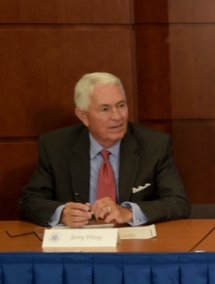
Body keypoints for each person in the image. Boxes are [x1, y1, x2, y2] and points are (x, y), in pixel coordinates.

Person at [18, 72, 190, 227]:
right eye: (105, 109)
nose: (117, 116)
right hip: (79, 243)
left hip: (133, 242)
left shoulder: (154, 144)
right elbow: (29, 201)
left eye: (121, 105)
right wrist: (62, 213)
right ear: (83, 116)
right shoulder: (56, 146)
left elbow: (178, 202)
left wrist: (128, 213)